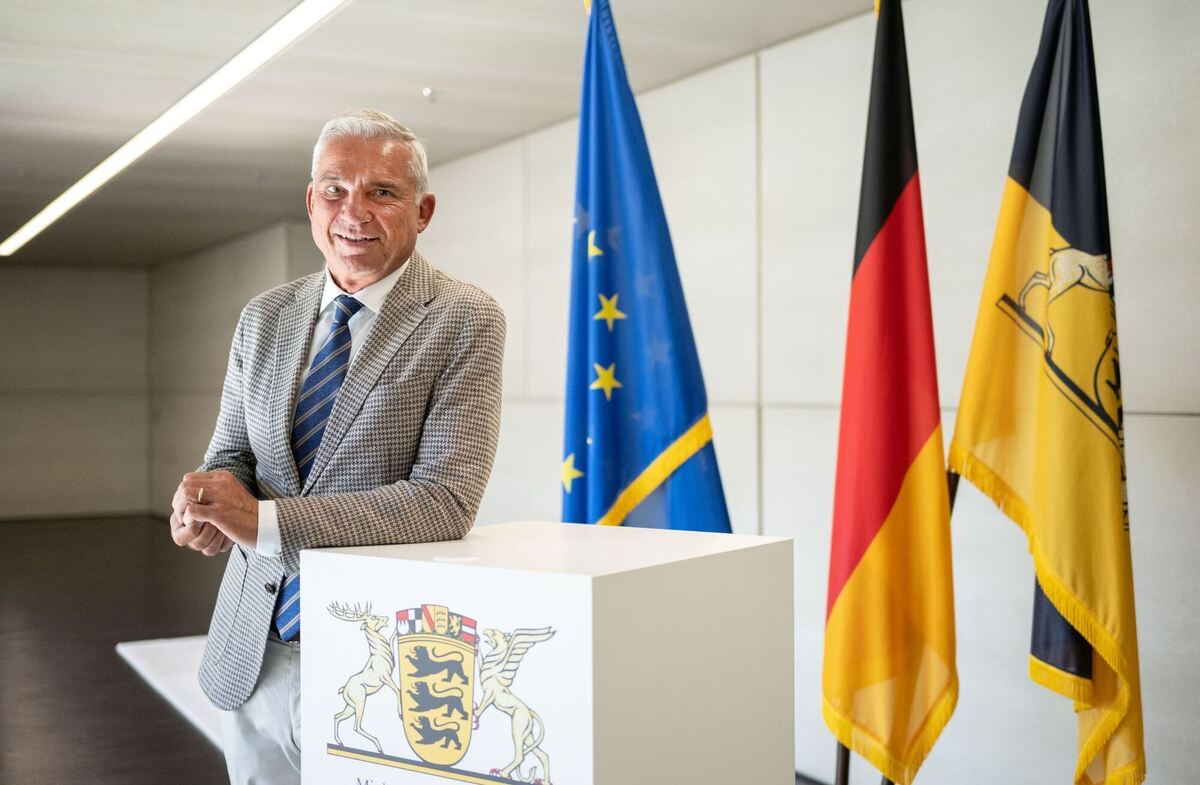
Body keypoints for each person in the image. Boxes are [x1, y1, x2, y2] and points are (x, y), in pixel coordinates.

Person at [167, 109, 505, 785]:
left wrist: (263, 521)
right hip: (254, 650)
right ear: (310, 201)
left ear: (423, 210)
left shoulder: (465, 319)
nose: (353, 211)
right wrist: (205, 501)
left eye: (382, 191)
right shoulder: (263, 316)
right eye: (334, 189)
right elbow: (231, 455)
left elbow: (444, 501)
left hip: (376, 661)